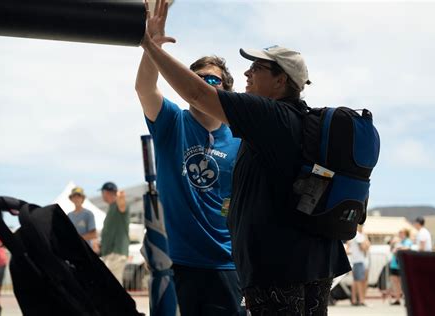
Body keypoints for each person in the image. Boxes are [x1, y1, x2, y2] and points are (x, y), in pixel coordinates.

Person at [139, 1, 351, 314]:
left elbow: (197, 95)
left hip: (279, 268)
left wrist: (146, 42)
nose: (248, 72)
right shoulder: (302, 121)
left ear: (281, 82)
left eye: (258, 68)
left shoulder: (268, 116)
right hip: (312, 261)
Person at [135, 3, 242, 315]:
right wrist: (152, 45)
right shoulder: (172, 121)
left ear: (226, 90)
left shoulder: (240, 137)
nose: (203, 85)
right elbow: (144, 88)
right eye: (196, 79)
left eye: (212, 80)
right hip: (181, 261)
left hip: (229, 262)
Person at [99, 181, 130, 284]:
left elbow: (122, 206)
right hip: (110, 253)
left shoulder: (118, 204)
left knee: (114, 284)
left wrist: (120, 198)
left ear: (106, 192)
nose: (101, 195)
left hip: (117, 252)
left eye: (102, 193)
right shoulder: (111, 207)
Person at [347, 225, 370, 306]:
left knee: (356, 281)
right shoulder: (358, 235)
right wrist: (366, 241)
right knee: (360, 281)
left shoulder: (354, 235)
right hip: (359, 260)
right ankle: (361, 300)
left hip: (356, 260)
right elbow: (364, 248)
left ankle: (354, 299)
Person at [388, 228, 412, 305]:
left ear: (406, 233)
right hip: (394, 264)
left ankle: (406, 300)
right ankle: (397, 299)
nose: (400, 234)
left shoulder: (407, 241)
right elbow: (391, 250)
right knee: (395, 283)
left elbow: (407, 248)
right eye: (399, 232)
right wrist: (393, 244)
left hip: (402, 265)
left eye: (402, 232)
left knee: (403, 283)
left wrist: (398, 247)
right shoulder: (398, 241)